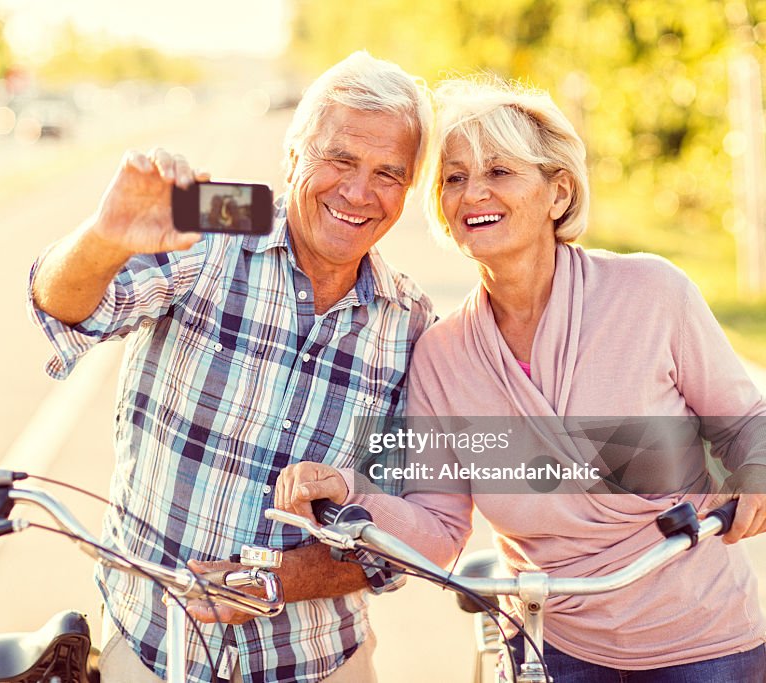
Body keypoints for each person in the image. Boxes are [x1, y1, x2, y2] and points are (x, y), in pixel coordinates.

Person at [277, 76, 766, 681]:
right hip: (550, 647)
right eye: (454, 178)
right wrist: (353, 492)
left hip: (703, 642)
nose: (472, 193)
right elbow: (439, 532)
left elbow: (747, 424)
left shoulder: (653, 293)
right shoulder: (440, 353)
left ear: (558, 193)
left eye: (499, 172)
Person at [28, 51, 435, 683]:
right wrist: (105, 237)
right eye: (340, 159)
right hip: (155, 651)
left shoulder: (409, 318)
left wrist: (278, 580)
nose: (359, 192)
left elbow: (411, 529)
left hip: (321, 662)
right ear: (294, 155)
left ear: (408, 191)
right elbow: (65, 309)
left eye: (388, 173)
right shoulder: (220, 219)